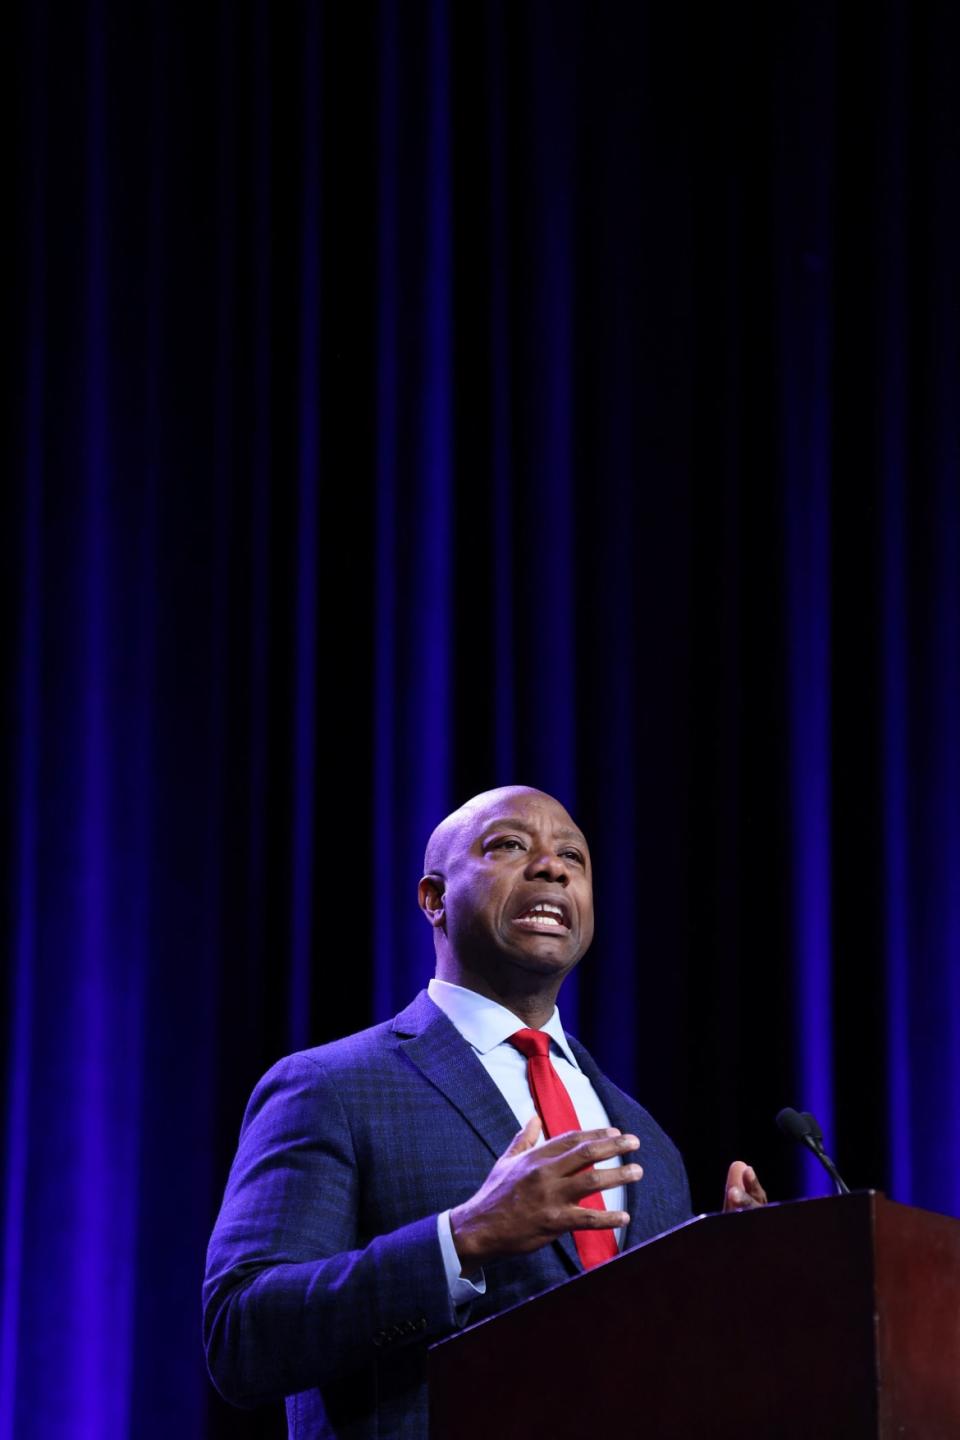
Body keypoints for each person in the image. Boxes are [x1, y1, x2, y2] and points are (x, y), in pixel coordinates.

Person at [204, 785, 766, 1439]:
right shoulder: (329, 1088)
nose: (552, 867)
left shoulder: (649, 1145)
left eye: (572, 858)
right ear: (434, 899)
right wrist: (462, 1239)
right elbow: (240, 1334)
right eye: (509, 845)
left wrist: (729, 1292)